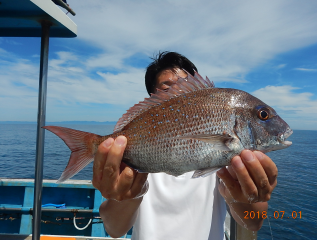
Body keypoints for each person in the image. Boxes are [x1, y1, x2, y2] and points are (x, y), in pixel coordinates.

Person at [92, 52, 278, 239]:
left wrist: (245, 197)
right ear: (152, 101)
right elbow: (114, 230)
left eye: (186, 86)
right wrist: (129, 194)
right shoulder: (136, 164)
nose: (180, 93)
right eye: (168, 89)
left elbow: (254, 221)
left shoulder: (228, 161)